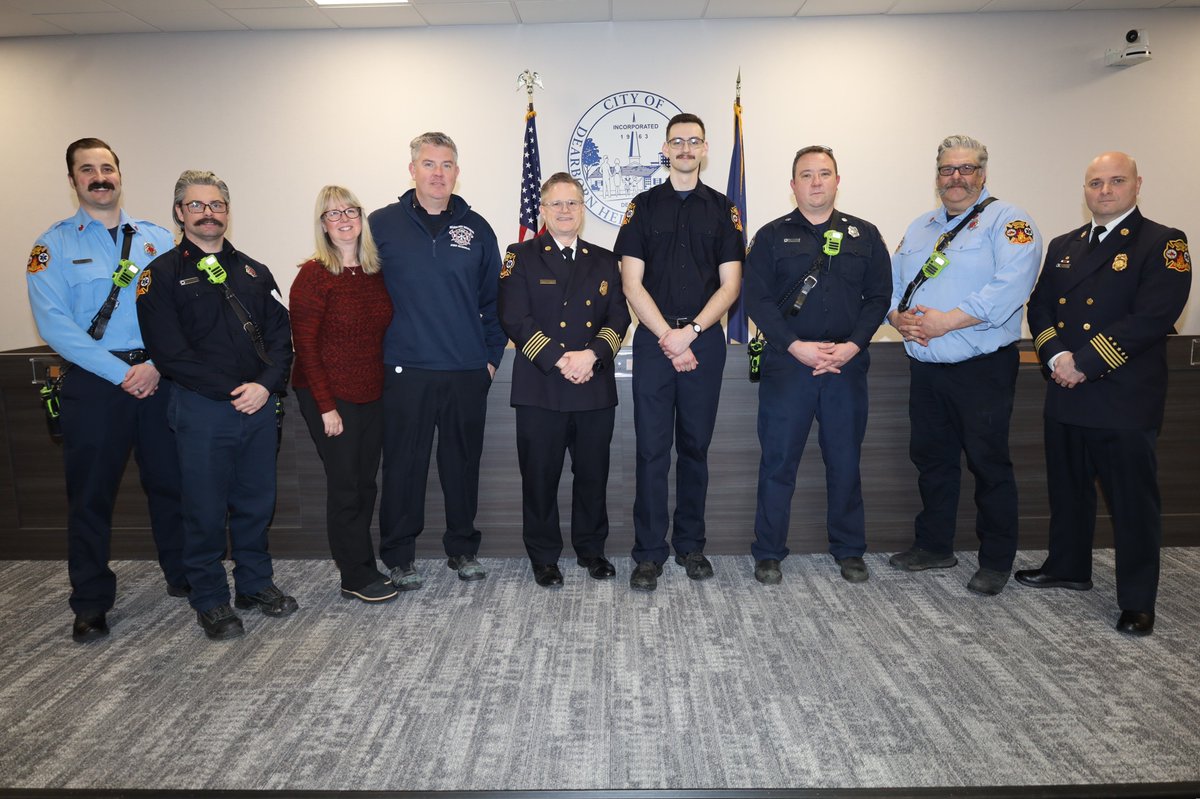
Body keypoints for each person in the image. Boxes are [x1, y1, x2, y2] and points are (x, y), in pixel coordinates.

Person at [1016, 152, 1191, 636]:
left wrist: (1085, 364)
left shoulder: (1163, 242)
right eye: (1095, 182)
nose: (1105, 190)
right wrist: (1055, 359)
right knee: (1068, 490)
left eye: (1116, 181)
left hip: (1122, 393)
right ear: (1085, 189)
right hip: (1066, 389)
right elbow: (1041, 307)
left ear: (1138, 184)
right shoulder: (1064, 245)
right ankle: (1068, 567)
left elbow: (1154, 318)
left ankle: (1137, 600)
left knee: (1132, 503)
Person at [25, 137, 188, 643]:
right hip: (95, 386)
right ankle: (91, 602)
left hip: (160, 379)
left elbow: (184, 313)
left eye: (108, 168)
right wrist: (121, 374)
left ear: (120, 174)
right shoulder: (51, 248)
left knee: (171, 486)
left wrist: (157, 364)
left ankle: (183, 575)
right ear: (73, 179)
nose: (100, 177)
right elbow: (55, 327)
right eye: (87, 169)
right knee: (90, 498)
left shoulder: (158, 240)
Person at [136, 170, 297, 640]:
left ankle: (254, 584)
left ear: (227, 212)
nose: (208, 213)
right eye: (197, 205)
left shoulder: (253, 270)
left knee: (255, 503)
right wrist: (236, 390)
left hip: (259, 406)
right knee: (204, 510)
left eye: (217, 205)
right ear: (179, 213)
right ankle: (209, 598)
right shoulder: (160, 276)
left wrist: (265, 386)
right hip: (202, 410)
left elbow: (281, 337)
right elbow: (169, 354)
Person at [888, 134, 1042, 596]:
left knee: (988, 463)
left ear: (983, 173)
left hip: (982, 367)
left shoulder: (1009, 221)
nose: (955, 178)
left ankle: (996, 560)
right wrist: (897, 318)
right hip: (926, 368)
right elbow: (893, 285)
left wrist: (945, 323)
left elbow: (1011, 285)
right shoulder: (919, 227)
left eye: (966, 169)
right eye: (947, 170)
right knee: (932, 461)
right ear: (936, 176)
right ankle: (934, 546)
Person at [743, 146, 891, 585]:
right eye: (806, 175)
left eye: (824, 173)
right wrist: (794, 346)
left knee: (844, 459)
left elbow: (879, 297)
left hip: (845, 365)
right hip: (788, 366)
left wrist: (852, 346)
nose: (815, 182)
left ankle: (849, 550)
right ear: (793, 185)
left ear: (837, 181)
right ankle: (768, 552)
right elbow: (758, 300)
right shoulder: (770, 237)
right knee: (778, 461)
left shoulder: (864, 235)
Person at [368, 132, 506, 589]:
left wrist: (488, 361)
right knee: (404, 466)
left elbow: (494, 304)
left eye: (447, 165)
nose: (438, 173)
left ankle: (463, 549)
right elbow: (363, 295)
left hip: (466, 371)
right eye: (429, 164)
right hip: (406, 370)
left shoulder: (478, 228)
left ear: (456, 172)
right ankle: (400, 555)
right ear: (412, 170)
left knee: (461, 466)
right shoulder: (381, 225)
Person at [614, 113, 745, 591]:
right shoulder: (643, 207)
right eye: (677, 141)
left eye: (694, 141)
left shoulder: (724, 210)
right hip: (652, 340)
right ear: (665, 149)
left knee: (694, 448)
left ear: (704, 148)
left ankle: (691, 546)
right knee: (652, 452)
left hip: (704, 339)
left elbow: (731, 286)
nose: (686, 148)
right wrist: (669, 336)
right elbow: (631, 282)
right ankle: (649, 553)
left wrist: (689, 332)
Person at [498, 173, 631, 587]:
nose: (565, 211)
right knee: (540, 477)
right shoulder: (519, 256)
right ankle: (543, 556)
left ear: (583, 209)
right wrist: (560, 359)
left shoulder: (605, 259)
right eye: (555, 204)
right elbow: (514, 318)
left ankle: (591, 550)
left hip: (592, 383)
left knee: (593, 475)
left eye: (572, 203)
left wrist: (591, 355)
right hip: (541, 386)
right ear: (542, 209)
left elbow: (618, 317)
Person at [290, 186, 396, 603]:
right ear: (323, 225)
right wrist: (326, 407)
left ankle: (363, 562)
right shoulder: (313, 275)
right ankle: (353, 574)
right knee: (346, 486)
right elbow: (306, 347)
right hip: (329, 396)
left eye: (350, 211)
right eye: (333, 214)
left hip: (372, 394)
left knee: (366, 483)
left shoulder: (375, 271)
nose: (344, 219)